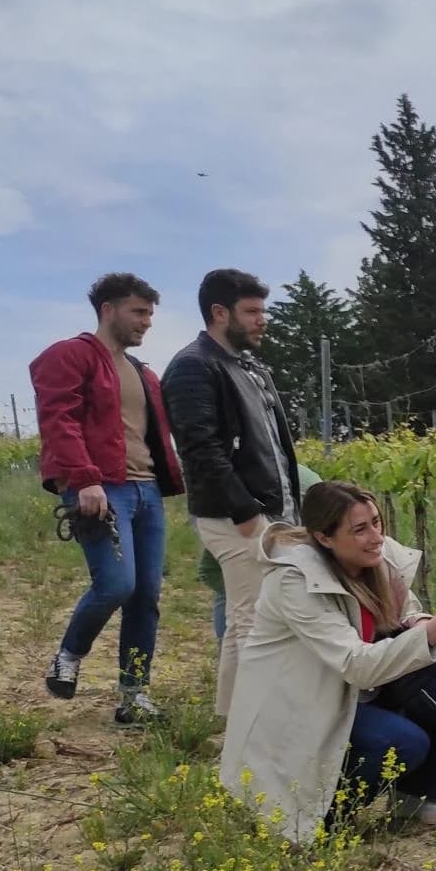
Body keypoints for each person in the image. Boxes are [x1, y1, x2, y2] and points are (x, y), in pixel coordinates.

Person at [220, 480, 436, 844]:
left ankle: (420, 795)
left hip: (351, 693)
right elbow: (356, 663)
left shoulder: (377, 558)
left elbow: (406, 611)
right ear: (324, 538)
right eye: (359, 529)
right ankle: (318, 816)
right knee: (402, 742)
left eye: (376, 522)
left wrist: (423, 623)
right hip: (301, 710)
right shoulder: (294, 582)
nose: (375, 536)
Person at [31, 273, 186, 724]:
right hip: (102, 487)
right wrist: (83, 480)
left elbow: (156, 436)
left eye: (150, 315)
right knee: (117, 584)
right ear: (108, 310)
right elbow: (58, 418)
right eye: (139, 312)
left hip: (146, 491)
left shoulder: (143, 373)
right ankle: (68, 656)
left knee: (147, 596)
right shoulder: (70, 355)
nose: (147, 323)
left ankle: (133, 697)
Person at [162, 268, 302, 718]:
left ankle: (241, 716)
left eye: (263, 310)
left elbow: (272, 445)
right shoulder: (192, 366)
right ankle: (247, 725)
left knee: (262, 616)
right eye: (252, 311)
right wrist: (244, 512)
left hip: (270, 512)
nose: (262, 320)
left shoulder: (247, 366)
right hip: (236, 517)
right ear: (219, 313)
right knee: (250, 619)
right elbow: (199, 448)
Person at [199, 462, 321, 639]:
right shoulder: (238, 507)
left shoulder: (312, 491)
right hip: (237, 565)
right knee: (239, 615)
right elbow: (209, 571)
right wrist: (242, 594)